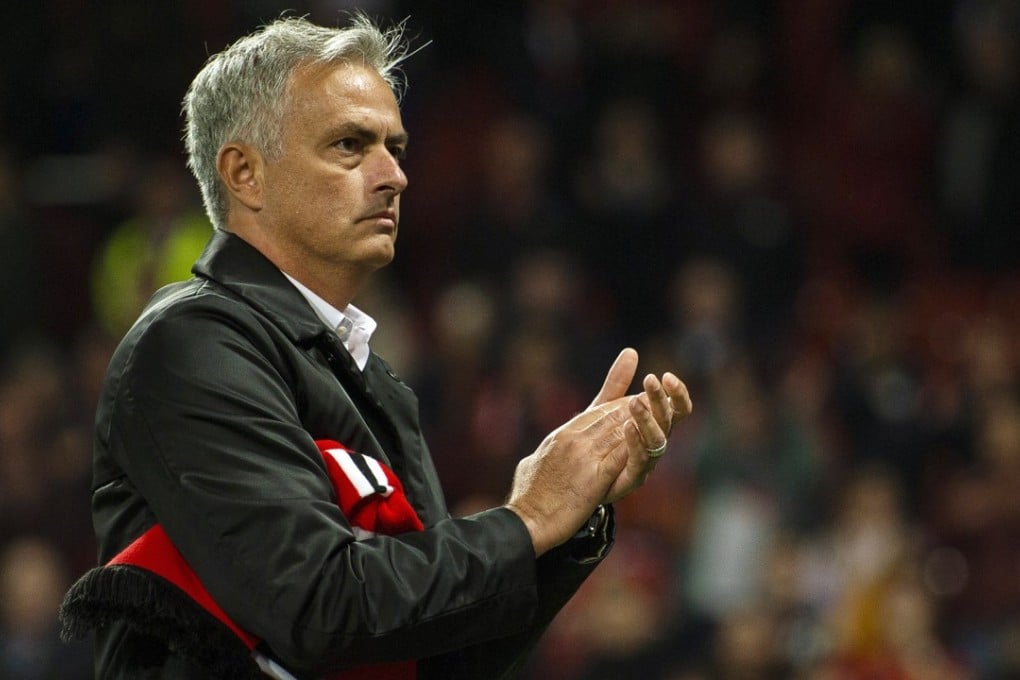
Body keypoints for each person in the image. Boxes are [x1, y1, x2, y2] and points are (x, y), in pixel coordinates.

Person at [59, 14, 692, 679]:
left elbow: (440, 657)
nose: (394, 176)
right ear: (245, 174)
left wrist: (568, 516)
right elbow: (317, 605)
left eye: (396, 147)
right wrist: (527, 518)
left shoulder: (377, 385)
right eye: (350, 145)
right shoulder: (191, 347)